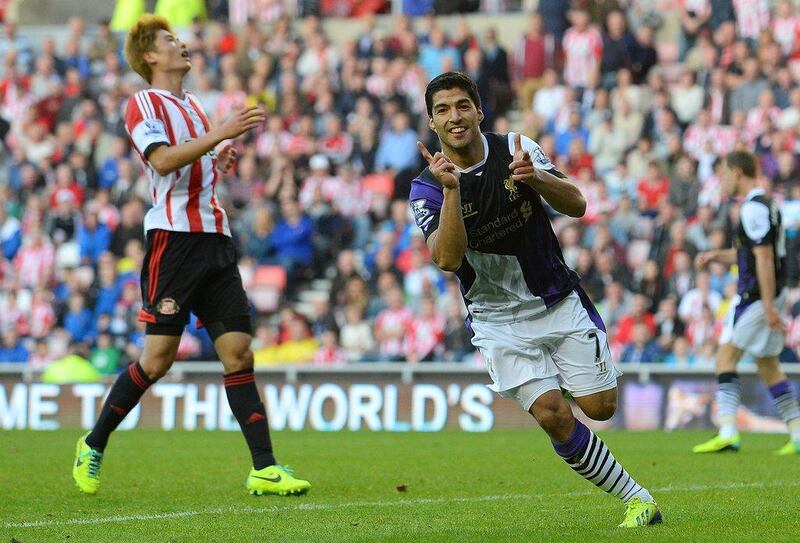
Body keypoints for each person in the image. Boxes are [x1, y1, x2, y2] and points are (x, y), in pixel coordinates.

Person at [72, 14, 310, 497]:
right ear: (149, 57)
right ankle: (93, 443)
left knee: (239, 351)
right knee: (157, 360)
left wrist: (214, 159)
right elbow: (160, 160)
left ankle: (264, 467)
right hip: (174, 241)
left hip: (215, 237)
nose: (182, 45)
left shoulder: (195, 107)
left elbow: (189, 162)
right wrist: (220, 134)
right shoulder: (143, 103)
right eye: (169, 40)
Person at [410, 72, 661, 528]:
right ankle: (637, 498)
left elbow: (578, 204)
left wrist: (538, 179)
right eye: (443, 109)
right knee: (551, 415)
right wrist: (451, 191)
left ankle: (563, 375)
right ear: (432, 122)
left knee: (601, 406)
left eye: (463, 105)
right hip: (496, 319)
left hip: (555, 298)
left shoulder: (516, 148)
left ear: (479, 111)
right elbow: (447, 259)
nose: (455, 116)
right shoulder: (426, 188)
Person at [693, 151, 800, 456]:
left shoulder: (752, 209)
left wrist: (767, 305)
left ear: (737, 173)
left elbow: (764, 258)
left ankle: (728, 432)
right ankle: (797, 433)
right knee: (768, 366)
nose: (723, 181)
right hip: (768, 293)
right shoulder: (768, 205)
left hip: (756, 296)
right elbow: (752, 253)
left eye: (725, 173)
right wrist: (716, 255)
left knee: (725, 359)